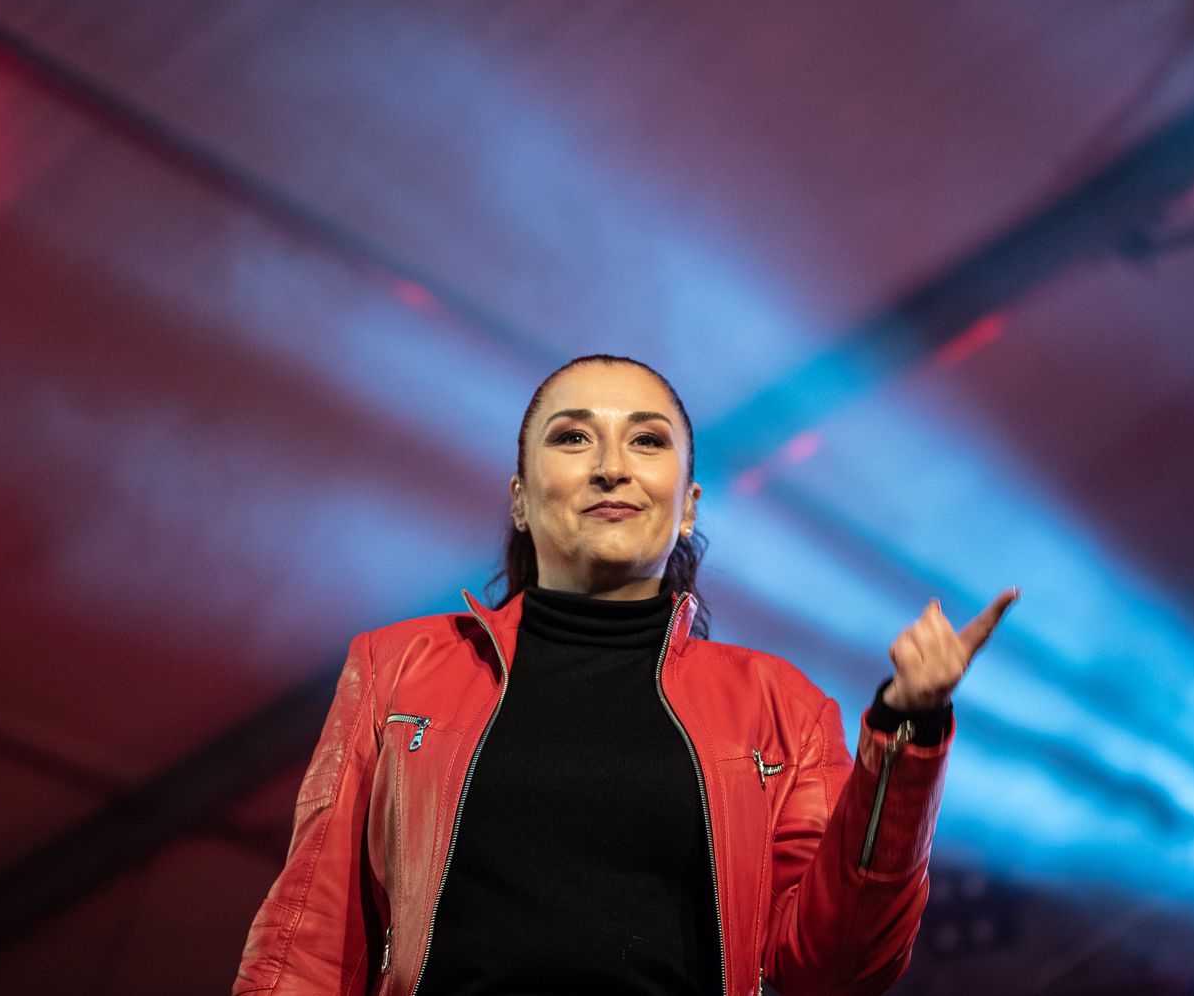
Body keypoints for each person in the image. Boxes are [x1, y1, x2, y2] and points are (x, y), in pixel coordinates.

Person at [233, 354, 1017, 996]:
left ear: (687, 506)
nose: (611, 467)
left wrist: (907, 729)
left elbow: (835, 966)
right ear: (518, 499)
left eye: (647, 442)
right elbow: (308, 940)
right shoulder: (397, 668)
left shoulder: (780, 706)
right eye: (573, 439)